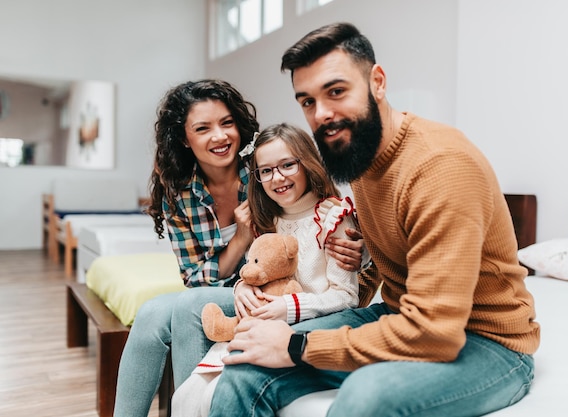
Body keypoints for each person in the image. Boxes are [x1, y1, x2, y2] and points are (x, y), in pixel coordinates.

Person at [207, 22, 541, 417]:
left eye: (336, 91)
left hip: (487, 341)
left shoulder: (441, 167)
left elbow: (436, 332)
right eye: (308, 102)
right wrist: (355, 260)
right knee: (247, 364)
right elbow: (376, 274)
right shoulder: (360, 160)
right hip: (398, 315)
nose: (322, 114)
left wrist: (298, 345)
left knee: (366, 398)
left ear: (377, 82)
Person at [113, 80, 364, 417]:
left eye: (227, 123)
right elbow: (196, 278)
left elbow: (320, 238)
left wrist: (363, 252)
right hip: (229, 287)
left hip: (279, 293)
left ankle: (195, 407)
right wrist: (241, 241)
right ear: (184, 139)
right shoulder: (181, 194)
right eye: (203, 128)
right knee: (152, 314)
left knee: (187, 307)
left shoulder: (261, 173)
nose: (219, 136)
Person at [171, 122, 364, 417]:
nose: (278, 178)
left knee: (220, 388)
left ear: (307, 163)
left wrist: (289, 307)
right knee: (186, 397)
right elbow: (259, 271)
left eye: (287, 165)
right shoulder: (268, 220)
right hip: (266, 322)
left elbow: (346, 296)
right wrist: (243, 287)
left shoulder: (333, 218)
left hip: (314, 324)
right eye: (266, 171)